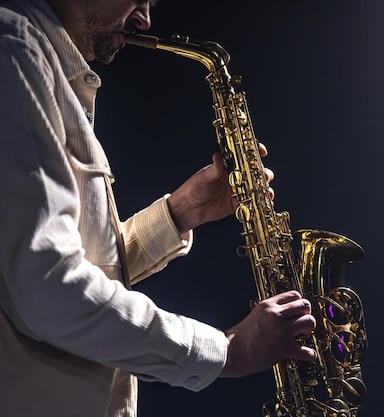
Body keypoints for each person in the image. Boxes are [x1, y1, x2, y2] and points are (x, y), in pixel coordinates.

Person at [0, 0, 317, 416]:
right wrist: (228, 351)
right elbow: (48, 286)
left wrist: (180, 212)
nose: (144, 19)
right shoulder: (14, 50)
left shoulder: (39, 63)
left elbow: (59, 266)